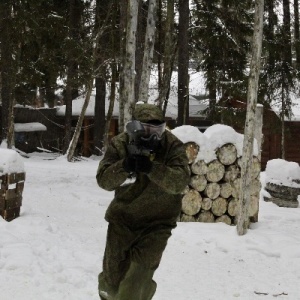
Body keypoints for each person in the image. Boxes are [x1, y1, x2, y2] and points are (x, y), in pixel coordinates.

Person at [96, 102, 190, 300]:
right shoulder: (120, 144)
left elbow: (179, 183)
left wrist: (152, 167)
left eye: (157, 128)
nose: (152, 134)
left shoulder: (172, 146)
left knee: (137, 279)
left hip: (158, 223)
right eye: (145, 128)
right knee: (111, 284)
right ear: (135, 127)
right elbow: (104, 181)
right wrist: (124, 166)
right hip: (122, 221)